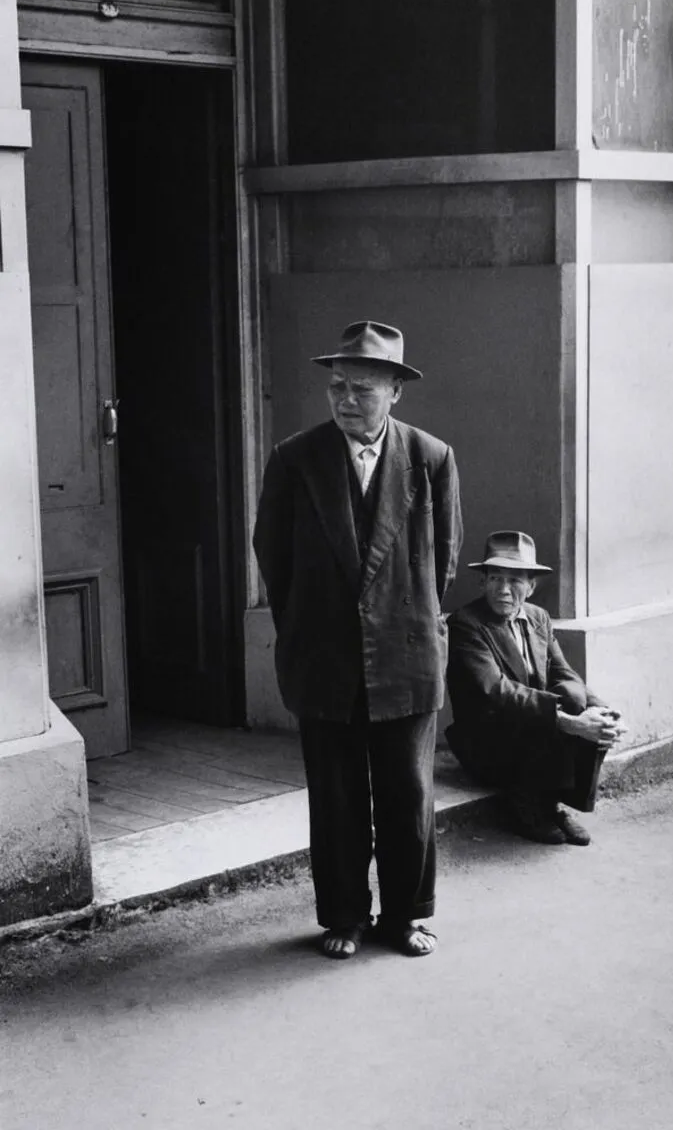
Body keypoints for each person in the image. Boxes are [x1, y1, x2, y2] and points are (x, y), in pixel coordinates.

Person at [254, 320, 463, 959]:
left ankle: (405, 916)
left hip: (406, 658)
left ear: (396, 391)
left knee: (408, 795)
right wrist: (308, 632)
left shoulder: (431, 458)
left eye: (363, 389)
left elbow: (445, 557)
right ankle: (343, 915)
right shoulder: (295, 459)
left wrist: (410, 624)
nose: (346, 399)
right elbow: (274, 555)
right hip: (325, 659)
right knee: (337, 797)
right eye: (337, 387)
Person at [446, 531, 626, 846]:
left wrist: (602, 710)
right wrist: (569, 722)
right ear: (482, 582)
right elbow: (497, 691)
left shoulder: (539, 618)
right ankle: (525, 808)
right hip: (487, 740)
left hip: (533, 729)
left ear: (530, 587)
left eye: (515, 581)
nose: (503, 589)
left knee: (575, 699)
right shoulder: (466, 624)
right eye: (495, 578)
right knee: (552, 714)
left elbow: (563, 671)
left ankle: (553, 804)